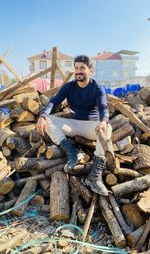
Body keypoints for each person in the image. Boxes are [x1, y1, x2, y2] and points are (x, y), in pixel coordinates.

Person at [37, 55, 112, 196]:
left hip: (92, 128)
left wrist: (103, 121)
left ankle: (94, 176)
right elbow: (54, 102)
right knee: (48, 119)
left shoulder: (97, 88)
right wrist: (42, 116)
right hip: (73, 126)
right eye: (76, 68)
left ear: (90, 70)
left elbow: (103, 107)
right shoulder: (69, 87)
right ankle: (72, 153)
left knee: (107, 128)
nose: (79, 71)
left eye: (82, 68)